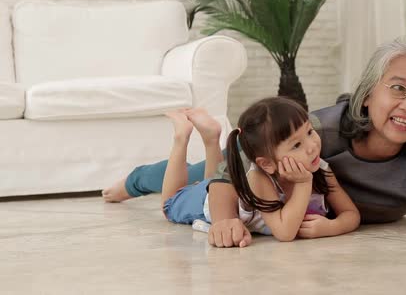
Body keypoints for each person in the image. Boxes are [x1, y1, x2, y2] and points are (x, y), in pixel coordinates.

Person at [104, 36, 406, 248]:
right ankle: (129, 182)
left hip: (317, 207)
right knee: (191, 180)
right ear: (367, 95)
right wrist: (224, 222)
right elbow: (231, 170)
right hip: (256, 183)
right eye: (397, 88)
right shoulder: (315, 132)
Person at [104, 98, 360, 245]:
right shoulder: (262, 178)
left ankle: (211, 138)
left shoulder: (322, 169)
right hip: (205, 203)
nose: (312, 146)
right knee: (170, 204)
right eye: (296, 145)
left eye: (310, 132)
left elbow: (351, 214)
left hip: (222, 188)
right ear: (267, 163)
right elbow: (285, 232)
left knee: (211, 179)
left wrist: (332, 227)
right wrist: (303, 184)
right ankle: (181, 136)